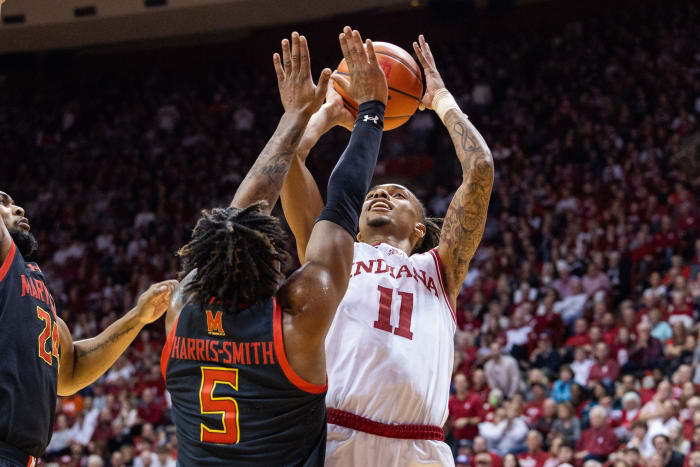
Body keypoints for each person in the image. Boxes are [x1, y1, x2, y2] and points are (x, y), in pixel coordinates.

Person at [161, 28, 388, 465]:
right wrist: (372, 109)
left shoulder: (180, 309)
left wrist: (302, 119)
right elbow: (340, 207)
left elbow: (234, 223)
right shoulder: (298, 318)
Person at [280, 32, 494, 466]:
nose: (380, 195)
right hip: (336, 434)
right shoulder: (335, 255)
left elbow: (481, 170)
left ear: (419, 227)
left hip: (421, 447)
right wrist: (326, 115)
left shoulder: (440, 270)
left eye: (397, 194)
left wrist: (441, 101)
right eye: (374, 194)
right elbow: (288, 163)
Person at [0, 196, 177, 464]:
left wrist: (137, 318)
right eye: (3, 201)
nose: (19, 208)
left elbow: (72, 371)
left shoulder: (34, 286)